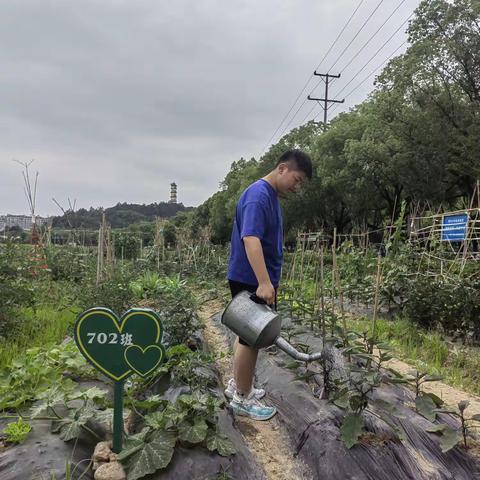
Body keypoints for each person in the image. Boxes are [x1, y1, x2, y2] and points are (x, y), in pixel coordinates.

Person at [224, 149, 313, 420]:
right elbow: (250, 239)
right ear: (282, 168)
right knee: (250, 338)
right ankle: (242, 396)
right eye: (296, 180)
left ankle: (238, 385)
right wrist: (263, 281)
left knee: (248, 336)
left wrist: (272, 281)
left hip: (257, 279)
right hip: (251, 279)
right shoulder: (258, 195)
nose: (297, 187)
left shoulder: (269, 196)